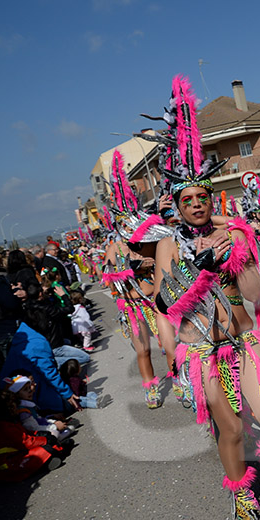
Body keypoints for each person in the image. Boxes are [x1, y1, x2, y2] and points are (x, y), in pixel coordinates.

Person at [150, 75, 260, 520]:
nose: (196, 204)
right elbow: (163, 302)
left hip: (245, 342)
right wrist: (197, 268)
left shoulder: (233, 232)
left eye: (203, 196)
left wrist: (238, 252)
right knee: (231, 430)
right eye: (187, 199)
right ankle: (241, 491)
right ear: (176, 205)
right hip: (203, 353)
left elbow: (256, 295)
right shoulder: (169, 245)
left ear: (212, 198)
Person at [102, 150, 174, 408]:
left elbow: (166, 254)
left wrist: (150, 262)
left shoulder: (148, 241)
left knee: (168, 344)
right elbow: (110, 281)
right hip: (131, 307)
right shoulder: (115, 248)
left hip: (153, 302)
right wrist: (129, 269)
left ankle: (179, 379)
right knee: (143, 350)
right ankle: (151, 388)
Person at [1, 374, 73, 441]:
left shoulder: (28, 405)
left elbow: (39, 419)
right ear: (16, 394)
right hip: (33, 434)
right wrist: (55, 427)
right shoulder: (23, 411)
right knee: (54, 434)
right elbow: (32, 428)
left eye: (29, 387)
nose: (30, 390)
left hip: (39, 427)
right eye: (25, 389)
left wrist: (54, 422)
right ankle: (60, 436)